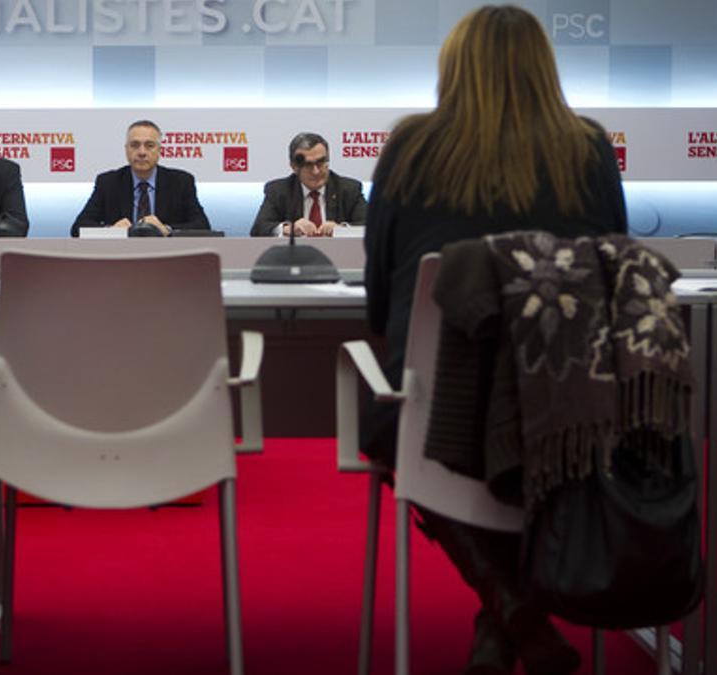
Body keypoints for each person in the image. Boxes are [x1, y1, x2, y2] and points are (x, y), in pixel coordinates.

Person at [362, 6, 627, 675]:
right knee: (519, 428)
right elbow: (613, 268)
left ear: (452, 68)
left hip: (428, 414)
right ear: (545, 68)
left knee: (391, 425)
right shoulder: (588, 147)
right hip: (565, 404)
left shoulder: (410, 148)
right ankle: (514, 612)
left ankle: (507, 608)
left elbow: (378, 298)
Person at [70, 120, 210, 237]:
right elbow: (77, 229)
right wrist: (110, 231)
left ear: (160, 150)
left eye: (149, 146)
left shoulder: (181, 182)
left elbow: (203, 227)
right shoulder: (108, 182)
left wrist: (166, 229)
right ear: (126, 149)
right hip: (120, 258)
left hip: (167, 258)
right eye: (135, 145)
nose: (142, 152)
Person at [250, 132, 367, 237]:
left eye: (321, 162)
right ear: (294, 167)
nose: (316, 171)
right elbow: (258, 229)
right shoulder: (279, 191)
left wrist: (342, 230)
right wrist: (288, 229)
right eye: (308, 165)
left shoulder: (348, 189)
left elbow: (371, 226)